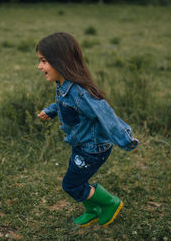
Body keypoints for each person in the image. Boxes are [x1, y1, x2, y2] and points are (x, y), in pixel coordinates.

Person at [36, 32, 139, 227]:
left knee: (71, 184)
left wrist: (125, 139)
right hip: (80, 145)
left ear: (60, 61)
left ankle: (110, 203)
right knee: (77, 181)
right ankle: (92, 210)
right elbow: (63, 104)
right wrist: (51, 111)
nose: (39, 66)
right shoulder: (63, 85)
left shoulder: (81, 93)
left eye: (43, 61)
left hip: (92, 149)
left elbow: (107, 116)